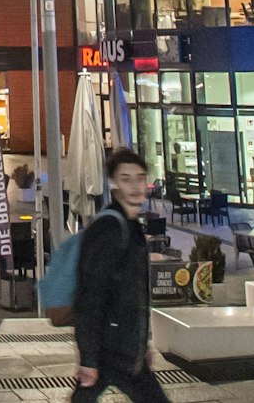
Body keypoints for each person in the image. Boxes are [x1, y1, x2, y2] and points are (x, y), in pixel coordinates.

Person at [71, 148, 169, 403]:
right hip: (110, 350)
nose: (136, 185)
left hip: (124, 349)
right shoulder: (109, 228)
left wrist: (141, 345)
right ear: (114, 185)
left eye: (140, 178)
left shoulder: (131, 225)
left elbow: (133, 294)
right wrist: (89, 359)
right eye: (126, 179)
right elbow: (90, 296)